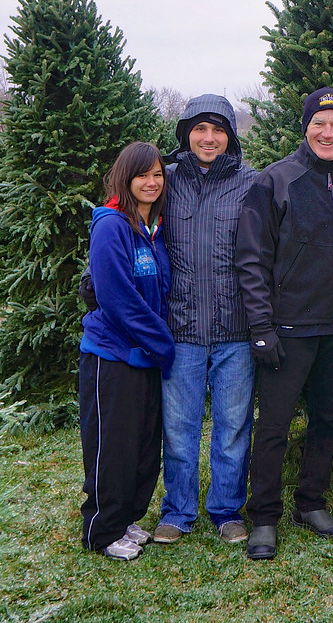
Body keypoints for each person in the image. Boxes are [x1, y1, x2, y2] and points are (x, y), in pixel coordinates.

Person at [235, 87, 333, 560]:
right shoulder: (276, 181)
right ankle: (263, 516)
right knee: (274, 425)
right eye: (319, 124)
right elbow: (251, 259)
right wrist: (261, 326)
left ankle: (311, 502)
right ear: (305, 128)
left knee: (327, 419)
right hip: (287, 328)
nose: (327, 132)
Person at [151, 95, 256, 545]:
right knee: (179, 427)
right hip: (182, 330)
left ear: (230, 135)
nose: (208, 138)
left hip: (236, 330)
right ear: (185, 134)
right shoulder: (165, 181)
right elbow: (128, 227)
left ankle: (227, 509)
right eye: (199, 129)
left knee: (233, 427)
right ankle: (177, 511)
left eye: (217, 129)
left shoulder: (252, 184)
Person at [78, 141, 174, 561]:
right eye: (142, 176)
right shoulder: (111, 225)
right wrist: (164, 342)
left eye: (157, 175)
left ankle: (128, 517)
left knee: (142, 444)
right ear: (125, 178)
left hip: (145, 357)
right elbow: (117, 298)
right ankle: (101, 529)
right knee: (111, 446)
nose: (151, 183)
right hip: (112, 356)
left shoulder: (153, 230)